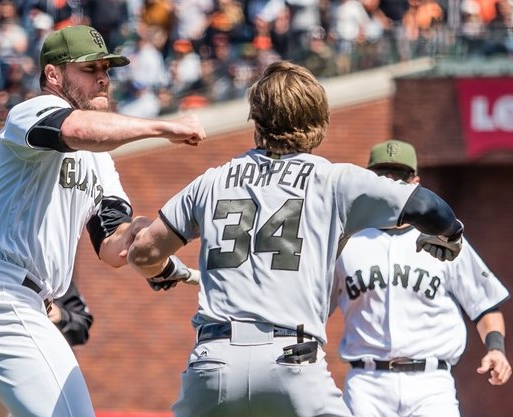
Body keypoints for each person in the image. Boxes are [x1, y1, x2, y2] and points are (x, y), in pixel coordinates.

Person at [126, 61, 465, 417]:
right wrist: (451, 233)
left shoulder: (211, 181)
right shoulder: (334, 181)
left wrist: (162, 269)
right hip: (292, 361)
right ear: (319, 120)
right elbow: (428, 207)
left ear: (256, 120)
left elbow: (143, 253)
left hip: (214, 363)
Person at [0, 24, 206, 417]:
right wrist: (163, 126)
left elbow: (114, 246)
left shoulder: (101, 163)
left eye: (107, 68)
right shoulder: (32, 111)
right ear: (53, 75)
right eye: (90, 69)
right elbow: (77, 130)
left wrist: (156, 240)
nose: (104, 77)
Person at [331, 139, 511, 417]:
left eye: (399, 176)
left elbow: (486, 305)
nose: (391, 183)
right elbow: (314, 308)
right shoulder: (346, 243)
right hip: (367, 383)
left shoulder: (445, 239)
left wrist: (496, 349)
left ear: (415, 182)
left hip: (430, 384)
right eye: (382, 176)